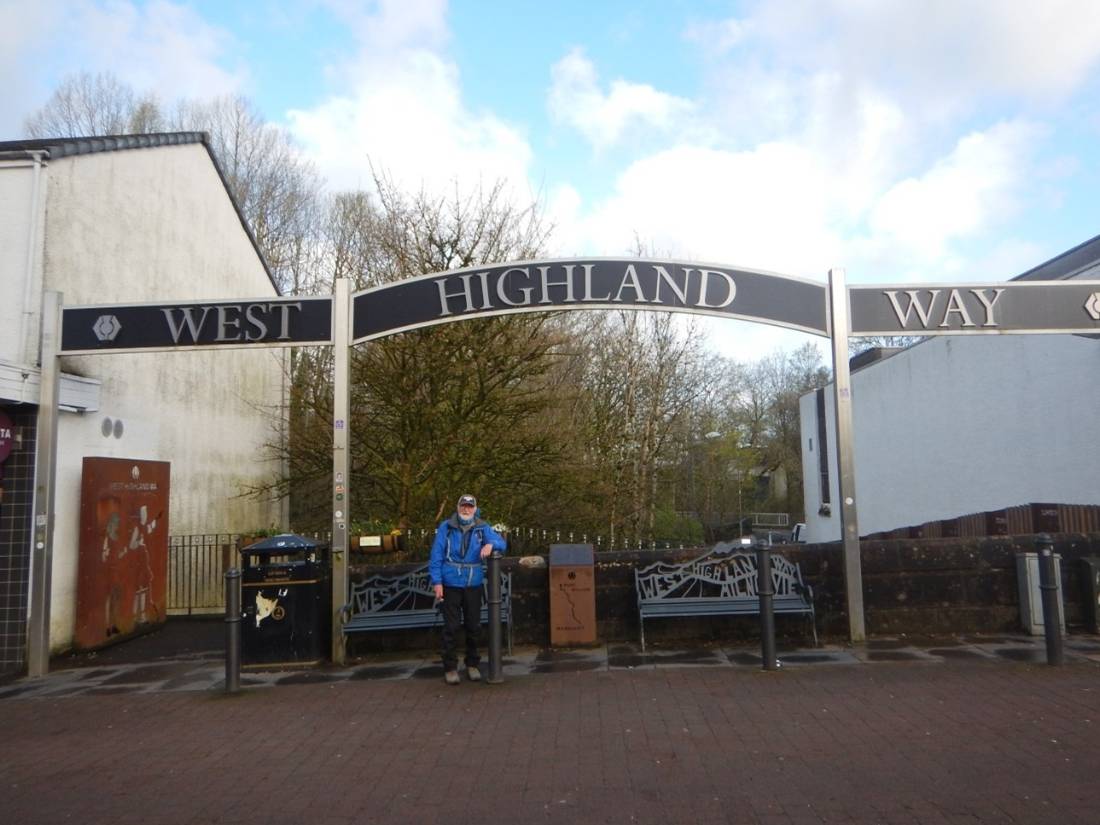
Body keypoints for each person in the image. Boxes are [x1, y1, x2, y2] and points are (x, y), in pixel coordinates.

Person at [429, 493, 507, 685]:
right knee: (451, 627)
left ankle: (472, 664)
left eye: (470, 506)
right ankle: (450, 667)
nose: (466, 509)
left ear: (475, 509)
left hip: (473, 583)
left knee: (474, 626)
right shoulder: (445, 528)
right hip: (451, 583)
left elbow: (502, 543)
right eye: (463, 506)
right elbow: (436, 555)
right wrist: (437, 582)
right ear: (458, 507)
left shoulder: (482, 527)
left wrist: (490, 544)